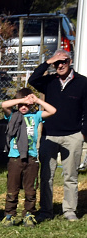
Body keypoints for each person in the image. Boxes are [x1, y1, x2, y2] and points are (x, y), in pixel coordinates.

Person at [28, 49, 87, 221]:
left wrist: (83, 134)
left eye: (64, 61)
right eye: (57, 63)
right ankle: (46, 211)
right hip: (49, 135)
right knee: (46, 176)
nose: (60, 65)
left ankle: (69, 210)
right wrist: (48, 62)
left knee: (71, 176)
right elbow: (33, 80)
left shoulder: (83, 83)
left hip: (73, 136)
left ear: (70, 62)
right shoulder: (49, 81)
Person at [0, 89, 56, 226]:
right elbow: (4, 105)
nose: (24, 107)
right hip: (15, 158)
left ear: (31, 105)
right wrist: (21, 100)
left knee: (30, 189)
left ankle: (29, 214)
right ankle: (9, 214)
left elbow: (52, 111)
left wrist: (37, 100)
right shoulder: (12, 115)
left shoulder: (35, 116)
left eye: (27, 105)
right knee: (12, 189)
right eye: (21, 105)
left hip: (31, 158)